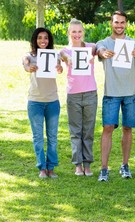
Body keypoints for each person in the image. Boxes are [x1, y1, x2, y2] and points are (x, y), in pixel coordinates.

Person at [96, 11, 135, 181]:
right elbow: (99, 49)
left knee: (127, 128)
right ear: (111, 23)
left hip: (131, 92)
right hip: (112, 93)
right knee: (107, 128)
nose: (119, 25)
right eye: (116, 22)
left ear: (126, 24)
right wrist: (103, 53)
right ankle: (104, 168)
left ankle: (124, 165)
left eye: (122, 22)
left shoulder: (133, 42)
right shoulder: (104, 42)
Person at [22, 27, 63, 178]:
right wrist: (29, 68)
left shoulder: (54, 55)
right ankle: (42, 168)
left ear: (49, 40)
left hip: (52, 101)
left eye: (45, 38)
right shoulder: (29, 56)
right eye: (40, 38)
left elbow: (60, 69)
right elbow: (26, 65)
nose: (43, 41)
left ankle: (51, 167)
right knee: (38, 137)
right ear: (35, 40)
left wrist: (59, 68)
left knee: (52, 137)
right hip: (35, 102)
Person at [60, 19, 98, 177]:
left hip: (90, 93)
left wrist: (99, 53)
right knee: (75, 131)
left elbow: (101, 48)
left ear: (83, 32)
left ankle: (87, 164)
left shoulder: (91, 47)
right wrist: (66, 59)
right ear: (69, 33)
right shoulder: (65, 51)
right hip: (73, 95)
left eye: (79, 31)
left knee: (88, 130)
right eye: (74, 31)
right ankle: (78, 164)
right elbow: (60, 55)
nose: (77, 34)